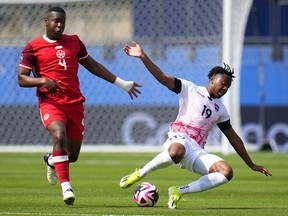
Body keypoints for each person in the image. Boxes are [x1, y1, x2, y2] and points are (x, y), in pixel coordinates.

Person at [119, 41, 272, 209]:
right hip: (178, 138)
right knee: (177, 151)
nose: (225, 88)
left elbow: (234, 138)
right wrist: (143, 56)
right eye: (223, 83)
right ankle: (140, 173)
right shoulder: (189, 88)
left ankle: (178, 191)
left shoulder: (221, 109)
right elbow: (162, 78)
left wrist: (251, 165)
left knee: (226, 172)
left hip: (196, 150)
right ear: (212, 79)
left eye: (228, 86)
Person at [18, 7, 141, 206]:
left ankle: (51, 160)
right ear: (46, 21)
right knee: (59, 135)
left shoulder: (74, 42)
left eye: (62, 22)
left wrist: (122, 83)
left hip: (74, 103)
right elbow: (22, 79)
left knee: (72, 156)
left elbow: (94, 66)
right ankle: (67, 188)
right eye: (55, 21)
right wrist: (42, 81)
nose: (59, 25)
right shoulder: (33, 47)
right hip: (50, 102)